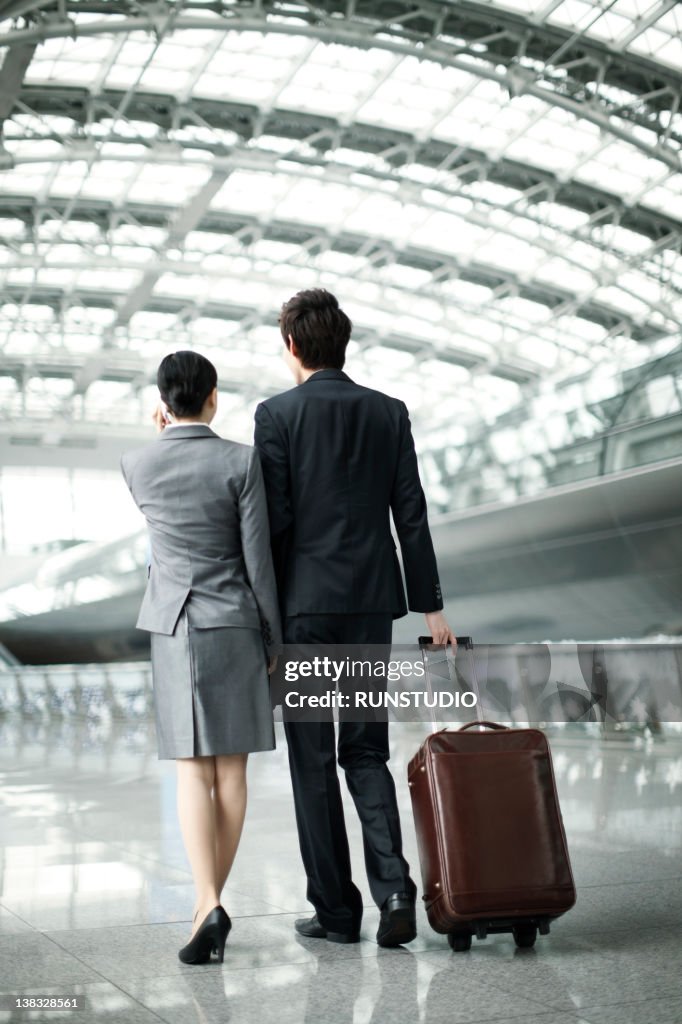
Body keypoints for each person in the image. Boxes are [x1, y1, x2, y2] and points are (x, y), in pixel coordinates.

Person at [254, 288, 455, 947]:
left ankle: (337, 913)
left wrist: (268, 614)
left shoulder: (276, 416)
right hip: (372, 604)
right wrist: (432, 607)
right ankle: (395, 888)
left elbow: (275, 523)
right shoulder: (387, 412)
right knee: (366, 749)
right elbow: (411, 515)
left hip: (305, 608)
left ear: (292, 345)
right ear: (344, 343)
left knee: (312, 758)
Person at [121, 351, 281, 965]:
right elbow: (257, 559)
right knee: (232, 772)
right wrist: (272, 637)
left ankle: (206, 901)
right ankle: (210, 903)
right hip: (235, 622)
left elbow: (165, 488)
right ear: (213, 395)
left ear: (162, 400)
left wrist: (158, 433)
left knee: (191, 769)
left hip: (173, 628)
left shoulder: (137, 463)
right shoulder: (242, 461)